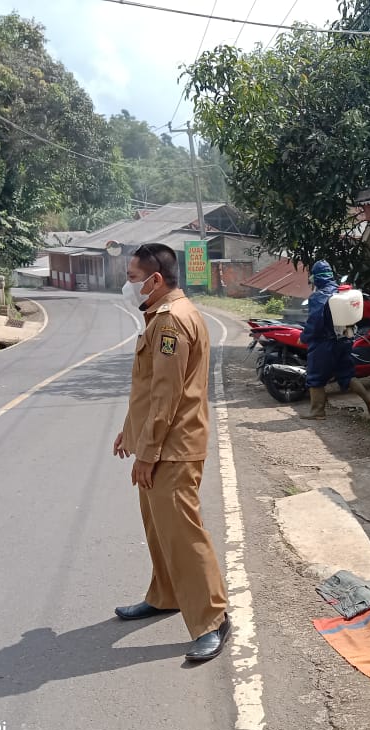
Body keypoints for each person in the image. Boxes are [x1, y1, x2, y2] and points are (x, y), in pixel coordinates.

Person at [112, 243, 230, 663]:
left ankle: (213, 620)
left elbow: (167, 394)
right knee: (159, 527)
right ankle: (166, 595)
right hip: (159, 444)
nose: (128, 285)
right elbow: (148, 387)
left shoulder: (171, 321)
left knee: (182, 533)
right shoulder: (162, 315)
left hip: (173, 448)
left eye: (132, 278)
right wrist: (130, 432)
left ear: (155, 280)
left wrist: (148, 453)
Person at [298, 260, 370, 420]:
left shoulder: (319, 297)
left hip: (324, 344)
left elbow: (315, 321)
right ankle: (369, 400)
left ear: (317, 277)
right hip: (345, 340)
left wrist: (304, 337)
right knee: (346, 374)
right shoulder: (342, 293)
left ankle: (317, 411)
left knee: (315, 376)